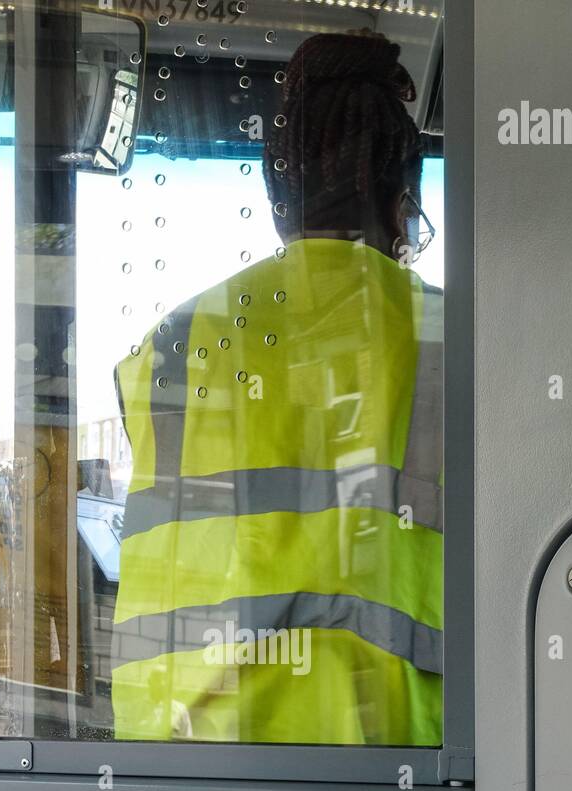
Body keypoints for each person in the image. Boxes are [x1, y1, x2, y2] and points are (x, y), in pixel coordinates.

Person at [111, 31, 442, 745]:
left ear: (275, 189)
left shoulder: (173, 341)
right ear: (401, 193)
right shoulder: (455, 336)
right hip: (404, 772)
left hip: (181, 776)